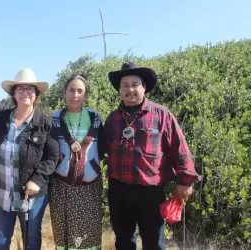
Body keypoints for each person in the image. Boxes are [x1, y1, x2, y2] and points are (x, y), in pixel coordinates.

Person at [103, 62, 201, 250]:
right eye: (125, 85)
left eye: (135, 84)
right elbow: (100, 148)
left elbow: (179, 148)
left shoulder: (161, 115)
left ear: (144, 87)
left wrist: (185, 180)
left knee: (154, 243)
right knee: (123, 241)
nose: (130, 89)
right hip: (118, 191)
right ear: (119, 90)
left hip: (150, 192)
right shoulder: (113, 118)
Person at [0, 68, 59, 250]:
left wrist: (37, 179)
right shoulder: (2, 118)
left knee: (31, 241)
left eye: (30, 89)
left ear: (36, 94)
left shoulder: (44, 123)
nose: (25, 93)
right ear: (14, 93)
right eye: (20, 88)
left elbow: (52, 156)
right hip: (1, 193)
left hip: (31, 197)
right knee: (0, 243)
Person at [49, 74, 105, 249]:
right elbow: (49, 150)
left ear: (85, 95)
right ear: (64, 93)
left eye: (80, 91)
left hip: (89, 189)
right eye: (71, 90)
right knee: (63, 235)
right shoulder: (55, 118)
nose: (75, 95)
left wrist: (92, 166)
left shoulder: (94, 118)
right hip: (61, 188)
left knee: (88, 237)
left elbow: (102, 148)